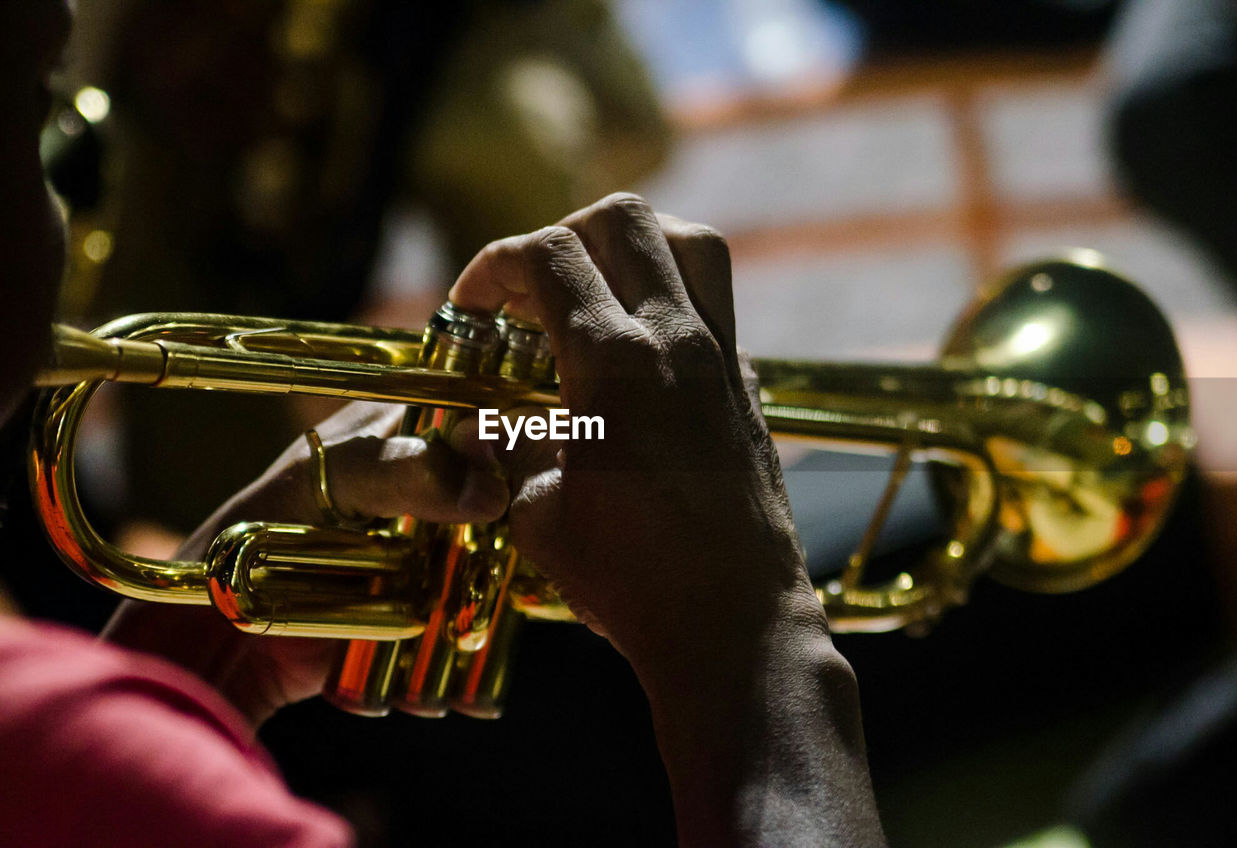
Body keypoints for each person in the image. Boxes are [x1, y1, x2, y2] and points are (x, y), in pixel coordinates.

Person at [0, 3, 886, 845]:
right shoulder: (107, 775)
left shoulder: (72, 748)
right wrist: (761, 650)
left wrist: (187, 673)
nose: (81, 204)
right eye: (45, 113)